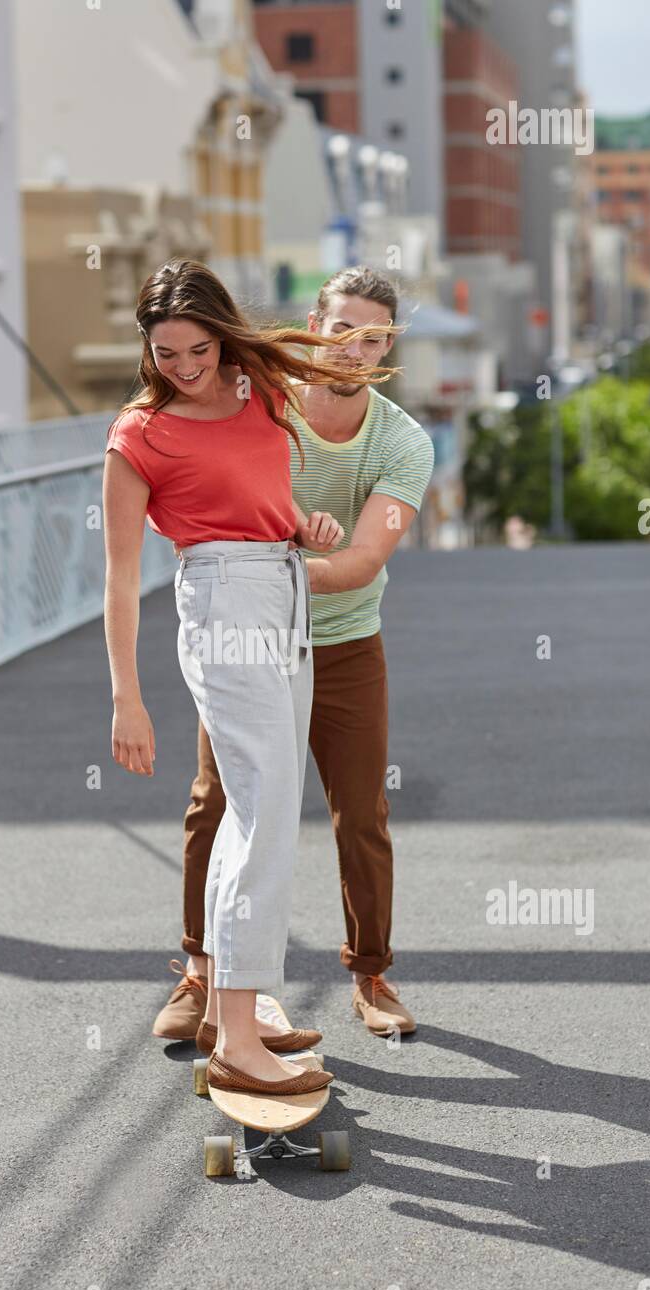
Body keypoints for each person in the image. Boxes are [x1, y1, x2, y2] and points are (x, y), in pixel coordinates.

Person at [104, 259, 395, 1095]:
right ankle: (235, 1033)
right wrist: (128, 696)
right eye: (166, 353)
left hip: (285, 588)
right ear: (146, 348)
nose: (185, 367)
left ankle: (241, 1005)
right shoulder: (138, 433)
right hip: (223, 602)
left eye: (198, 348)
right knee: (260, 809)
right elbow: (122, 579)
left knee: (261, 813)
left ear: (222, 335)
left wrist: (304, 524)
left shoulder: (258, 388)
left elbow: (264, 496)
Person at [153, 266, 435, 1046]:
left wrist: (248, 569)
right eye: (339, 328)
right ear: (314, 322)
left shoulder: (403, 442)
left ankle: (371, 972)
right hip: (250, 637)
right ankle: (200, 972)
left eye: (373, 336)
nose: (352, 348)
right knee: (216, 803)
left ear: (390, 346)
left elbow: (356, 566)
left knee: (360, 814)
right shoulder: (261, 402)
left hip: (344, 639)